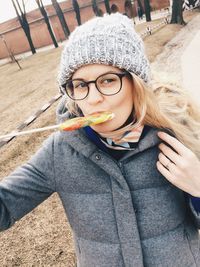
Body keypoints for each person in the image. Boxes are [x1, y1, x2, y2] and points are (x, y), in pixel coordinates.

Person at [0, 13, 200, 267]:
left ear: (135, 83)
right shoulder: (60, 151)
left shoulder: (177, 134)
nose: (93, 99)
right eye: (80, 85)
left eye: (107, 80)